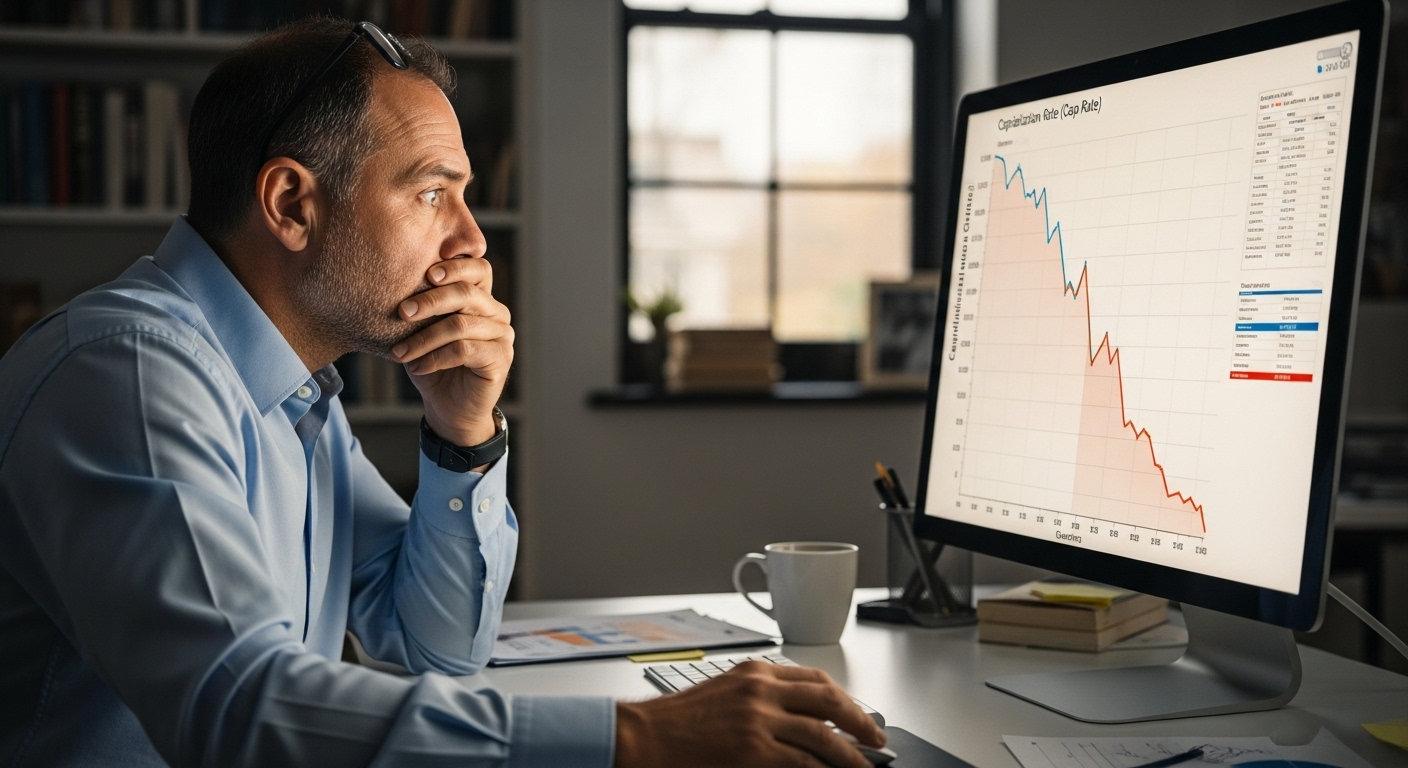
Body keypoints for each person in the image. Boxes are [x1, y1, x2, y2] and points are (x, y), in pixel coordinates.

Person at [0, 17, 887, 768]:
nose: (471, 242)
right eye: (432, 193)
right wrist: (638, 737)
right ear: (291, 205)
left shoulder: (295, 393)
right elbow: (237, 708)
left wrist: (462, 432)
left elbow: (434, 648)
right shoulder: (129, 372)